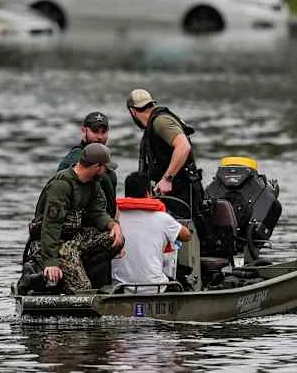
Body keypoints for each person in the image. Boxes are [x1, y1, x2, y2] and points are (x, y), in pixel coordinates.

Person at [18, 143, 124, 295]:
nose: (106, 171)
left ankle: (75, 268)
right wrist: (51, 263)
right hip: (52, 244)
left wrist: (113, 225)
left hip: (74, 241)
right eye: (105, 167)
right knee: (82, 292)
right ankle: (37, 273)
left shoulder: (92, 184)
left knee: (114, 239)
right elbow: (51, 226)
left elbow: (97, 213)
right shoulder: (62, 185)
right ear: (96, 166)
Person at [126, 88, 205, 216]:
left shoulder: (160, 122)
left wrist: (167, 179)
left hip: (183, 193)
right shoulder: (153, 124)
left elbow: (183, 146)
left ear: (132, 111)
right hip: (174, 193)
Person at [111, 171, 192, 293]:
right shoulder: (162, 218)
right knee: (182, 284)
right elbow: (187, 236)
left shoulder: (114, 219)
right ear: (148, 193)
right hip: (155, 288)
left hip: (120, 288)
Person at [58, 111, 118, 220]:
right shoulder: (73, 161)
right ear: (84, 131)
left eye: (103, 132)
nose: (99, 137)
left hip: (105, 221)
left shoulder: (107, 165)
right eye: (95, 131)